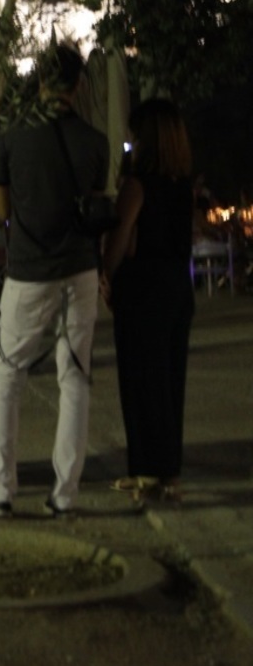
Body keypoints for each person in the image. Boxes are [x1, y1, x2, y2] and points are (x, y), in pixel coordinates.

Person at [0, 45, 109, 519]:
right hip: (81, 269)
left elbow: (2, 211)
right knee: (75, 379)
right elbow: (92, 204)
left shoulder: (8, 141)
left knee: (8, 376)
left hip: (29, 271)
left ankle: (1, 493)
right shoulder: (95, 142)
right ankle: (64, 495)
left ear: (38, 82)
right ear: (79, 86)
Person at [101, 99, 194, 503]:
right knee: (170, 383)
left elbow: (118, 240)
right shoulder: (182, 186)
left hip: (142, 290)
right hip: (176, 287)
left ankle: (145, 472)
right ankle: (169, 474)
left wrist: (106, 273)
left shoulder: (136, 186)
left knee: (140, 382)